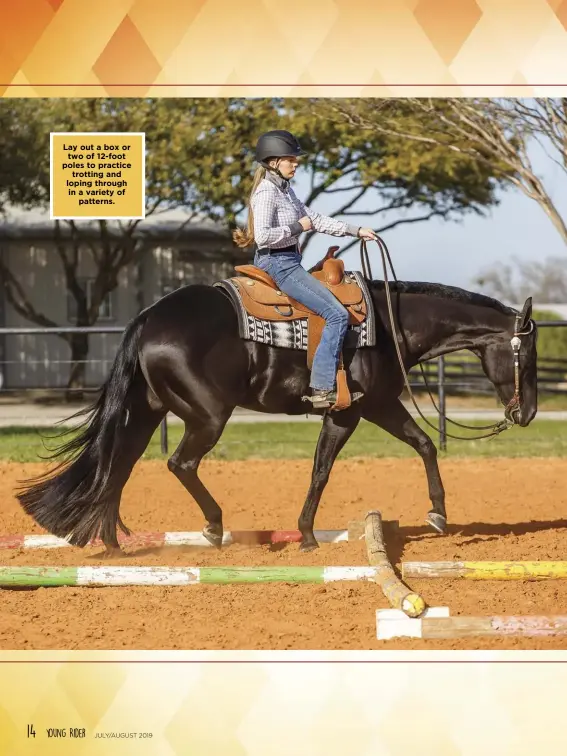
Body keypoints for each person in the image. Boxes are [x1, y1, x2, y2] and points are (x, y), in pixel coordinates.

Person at [233, 129, 378, 409]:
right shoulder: (265, 193)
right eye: (291, 159)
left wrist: (355, 230)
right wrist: (298, 227)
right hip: (278, 263)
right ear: (274, 161)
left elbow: (315, 218)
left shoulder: (285, 191)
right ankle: (322, 388)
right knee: (336, 314)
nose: (296, 164)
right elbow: (262, 236)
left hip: (289, 260)